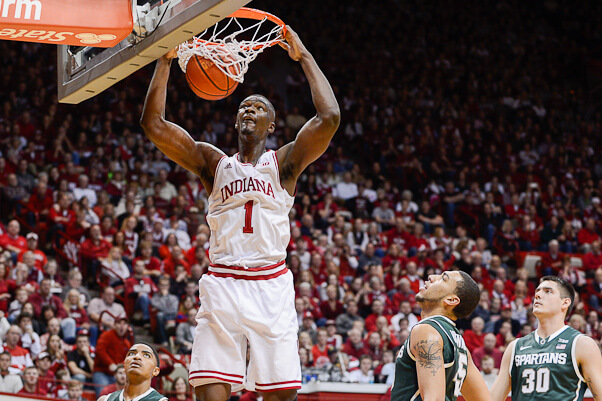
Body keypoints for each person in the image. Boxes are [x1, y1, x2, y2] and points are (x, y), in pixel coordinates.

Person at [141, 23, 340, 401]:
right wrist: (165, 61)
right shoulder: (211, 162)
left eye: (260, 107)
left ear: (272, 124)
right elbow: (153, 125)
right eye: (244, 106)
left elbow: (329, 118)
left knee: (281, 395)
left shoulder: (283, 164)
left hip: (270, 283)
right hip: (223, 283)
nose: (250, 109)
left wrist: (305, 57)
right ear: (235, 121)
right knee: (209, 393)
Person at [491, 276, 602, 401]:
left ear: (565, 303)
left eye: (548, 291)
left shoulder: (581, 344)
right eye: (537, 291)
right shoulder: (515, 347)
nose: (538, 295)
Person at [391, 271, 491, 401]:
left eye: (443, 278)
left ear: (451, 300)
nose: (431, 277)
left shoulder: (426, 331)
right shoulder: (462, 348)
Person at [97, 343, 167, 401]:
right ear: (124, 366)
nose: (137, 356)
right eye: (131, 353)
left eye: (146, 355)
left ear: (155, 371)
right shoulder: (105, 399)